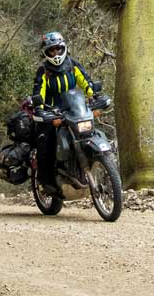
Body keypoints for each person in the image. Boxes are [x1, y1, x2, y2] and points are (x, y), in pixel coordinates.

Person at [30, 31, 96, 196]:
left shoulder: (73, 65)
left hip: (75, 109)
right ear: (46, 52)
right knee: (46, 142)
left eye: (58, 49)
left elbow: (86, 82)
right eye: (52, 50)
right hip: (52, 113)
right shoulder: (43, 70)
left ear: (64, 48)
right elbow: (39, 91)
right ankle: (46, 182)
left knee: (90, 132)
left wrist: (94, 95)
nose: (56, 53)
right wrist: (40, 109)